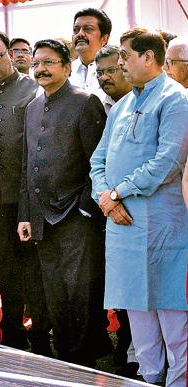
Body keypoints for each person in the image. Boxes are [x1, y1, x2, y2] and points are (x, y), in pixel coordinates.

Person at [90, 28, 188, 387]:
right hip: (123, 225)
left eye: (126, 57)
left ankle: (178, 381)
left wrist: (118, 194)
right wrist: (106, 197)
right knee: (137, 309)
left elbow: (168, 161)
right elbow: (97, 160)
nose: (119, 64)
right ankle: (149, 378)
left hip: (164, 225)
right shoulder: (124, 104)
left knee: (172, 311)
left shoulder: (176, 100)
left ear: (148, 58)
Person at [17, 39, 111, 366]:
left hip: (77, 216)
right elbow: (28, 165)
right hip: (42, 217)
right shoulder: (31, 106)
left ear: (67, 67)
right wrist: (25, 215)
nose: (41, 69)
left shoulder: (86, 103)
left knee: (81, 293)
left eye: (49, 62)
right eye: (36, 63)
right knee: (54, 292)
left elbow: (99, 163)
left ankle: (85, 362)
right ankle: (65, 360)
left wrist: (85, 209)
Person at [0, 32, 50, 354]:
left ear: (12, 55)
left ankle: (42, 334)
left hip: (30, 197)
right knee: (7, 269)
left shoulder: (35, 91)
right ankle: (13, 332)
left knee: (35, 268)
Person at [93, 43, 139, 375]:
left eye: (113, 69)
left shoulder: (152, 105)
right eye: (100, 72)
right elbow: (97, 161)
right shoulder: (100, 105)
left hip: (139, 210)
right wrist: (106, 200)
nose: (107, 77)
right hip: (105, 209)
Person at [69, 8, 112, 98]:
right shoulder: (65, 72)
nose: (80, 34)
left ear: (104, 38)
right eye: (75, 30)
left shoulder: (116, 72)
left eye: (88, 29)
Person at [95, 45, 133, 114]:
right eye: (99, 73)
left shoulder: (142, 102)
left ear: (125, 69)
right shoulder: (97, 106)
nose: (104, 77)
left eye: (111, 70)